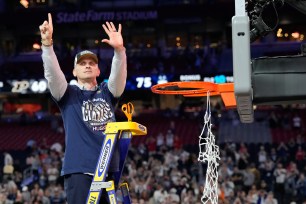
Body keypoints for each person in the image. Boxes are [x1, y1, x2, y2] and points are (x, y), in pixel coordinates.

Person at [39, 13, 127, 203]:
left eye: (91, 63)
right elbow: (53, 75)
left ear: (98, 70)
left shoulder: (107, 92)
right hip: (79, 171)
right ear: (74, 71)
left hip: (108, 170)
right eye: (82, 64)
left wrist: (119, 51)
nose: (87, 66)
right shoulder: (68, 94)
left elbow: (118, 79)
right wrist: (47, 46)